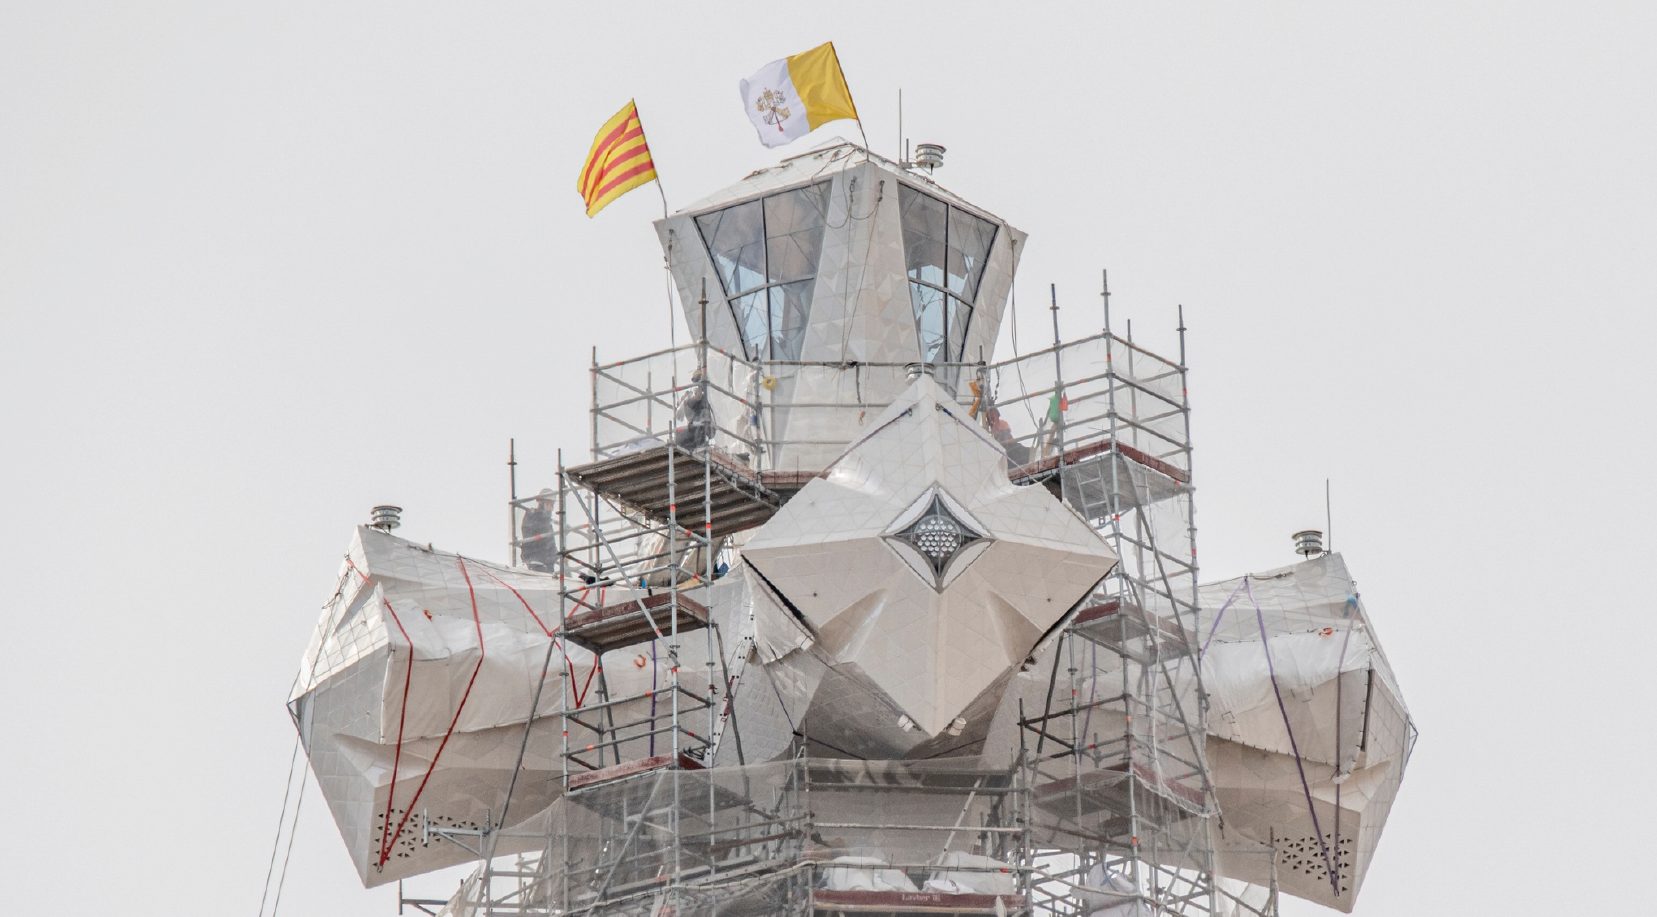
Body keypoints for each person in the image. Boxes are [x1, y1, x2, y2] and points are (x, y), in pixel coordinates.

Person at [673, 367, 715, 450]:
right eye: (696, 381)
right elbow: (678, 415)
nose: (698, 385)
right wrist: (688, 400)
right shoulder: (689, 396)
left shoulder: (707, 399)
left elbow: (711, 431)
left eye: (700, 381)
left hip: (701, 433)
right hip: (691, 432)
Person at [520, 489, 555, 572]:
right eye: (548, 504)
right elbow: (532, 536)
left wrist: (559, 555)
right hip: (536, 561)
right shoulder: (533, 515)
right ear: (541, 503)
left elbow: (551, 544)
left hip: (547, 563)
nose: (551, 508)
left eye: (552, 505)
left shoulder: (547, 523)